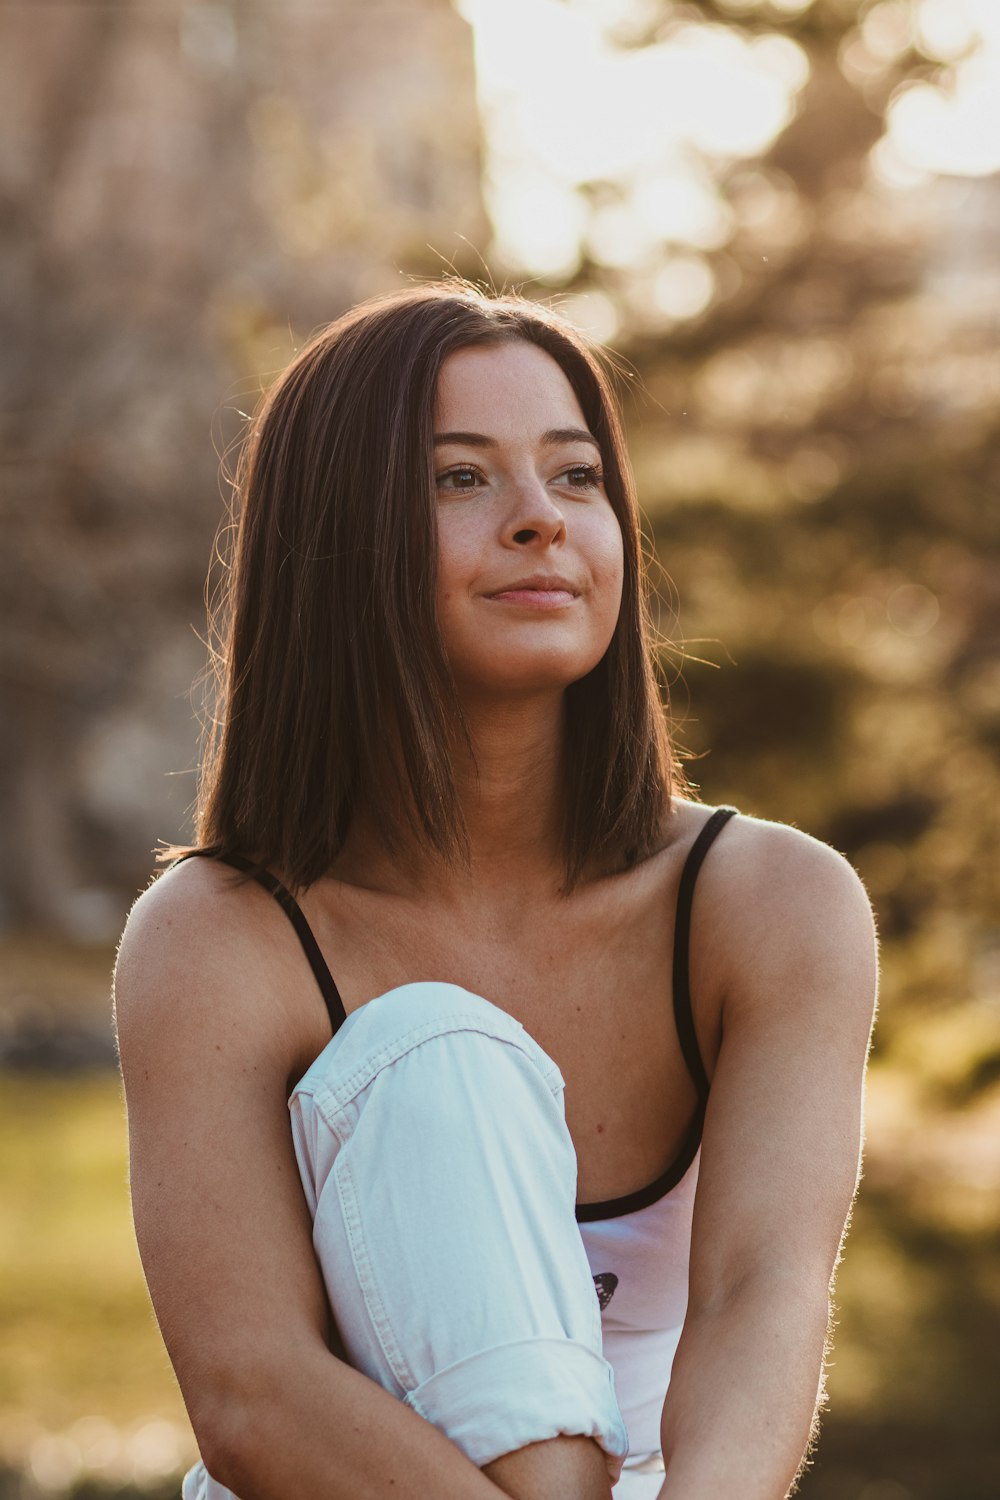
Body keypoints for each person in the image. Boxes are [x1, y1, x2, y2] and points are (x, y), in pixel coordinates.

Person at [113, 282, 878, 1500]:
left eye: (575, 477)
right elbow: (253, 1392)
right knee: (432, 1048)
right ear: (337, 539)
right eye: (458, 479)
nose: (539, 520)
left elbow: (760, 1296)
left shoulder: (770, 903)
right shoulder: (222, 936)